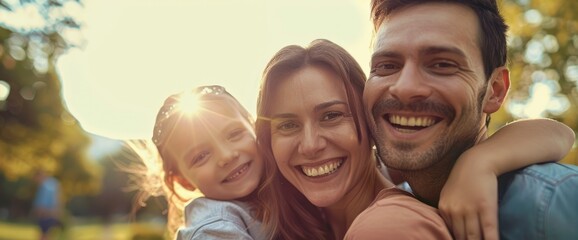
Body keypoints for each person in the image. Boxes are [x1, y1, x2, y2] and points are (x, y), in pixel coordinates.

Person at [255, 39, 575, 239]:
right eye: (287, 125)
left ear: (370, 121)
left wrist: (478, 162)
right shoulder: (282, 218)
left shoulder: (388, 227)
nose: (310, 144)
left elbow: (560, 133)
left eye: (332, 116)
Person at [354, 0, 578, 239]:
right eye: (387, 66)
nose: (405, 87)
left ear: (495, 90)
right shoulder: (384, 202)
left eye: (442, 64)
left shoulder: (551, 203)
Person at [133, 85, 274, 239]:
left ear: (254, 127)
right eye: (201, 156)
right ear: (183, 181)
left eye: (234, 134)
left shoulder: (279, 191)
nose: (226, 156)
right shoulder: (214, 229)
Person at [32, 169, 62, 240]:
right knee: (47, 234)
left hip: (46, 214)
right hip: (50, 214)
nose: (36, 181)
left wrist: (40, 212)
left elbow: (43, 204)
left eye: (37, 178)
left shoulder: (46, 186)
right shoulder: (53, 183)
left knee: (44, 234)